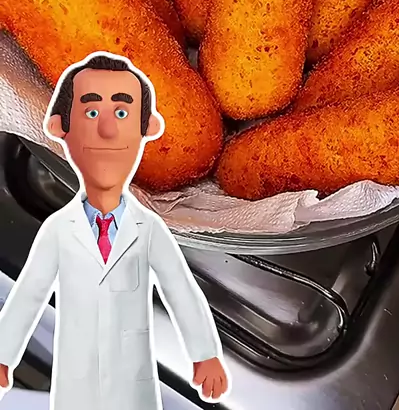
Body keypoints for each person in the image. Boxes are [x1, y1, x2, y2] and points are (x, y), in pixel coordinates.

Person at [0, 52, 229, 410]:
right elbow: (30, 292)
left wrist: (205, 353)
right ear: (59, 127)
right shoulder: (58, 230)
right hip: (76, 381)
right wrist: (4, 356)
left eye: (122, 113)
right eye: (91, 113)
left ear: (147, 127)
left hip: (133, 382)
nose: (107, 131)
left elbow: (180, 289)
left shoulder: (148, 229)